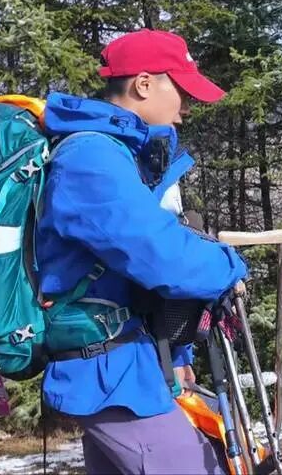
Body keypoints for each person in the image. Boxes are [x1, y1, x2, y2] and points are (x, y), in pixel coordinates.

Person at [35, 28, 246, 475]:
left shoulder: (117, 154)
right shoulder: (91, 158)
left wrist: (178, 358)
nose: (187, 108)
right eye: (182, 91)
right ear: (144, 84)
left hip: (126, 363)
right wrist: (229, 265)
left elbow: (132, 274)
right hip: (106, 372)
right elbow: (158, 255)